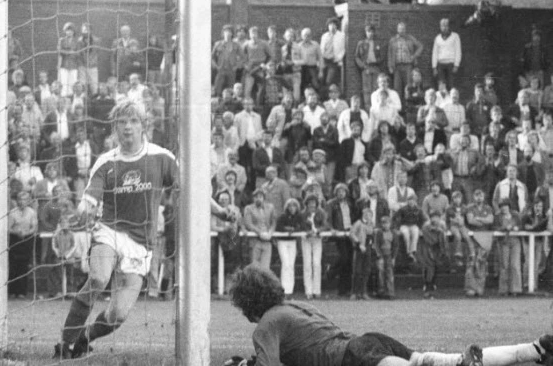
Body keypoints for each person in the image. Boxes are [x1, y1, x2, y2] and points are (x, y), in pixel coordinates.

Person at [53, 100, 233, 359]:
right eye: (122, 122)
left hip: (141, 244)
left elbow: (193, 191)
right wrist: (82, 209)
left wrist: (220, 211)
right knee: (98, 279)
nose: (127, 127)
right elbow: (89, 198)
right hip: (110, 231)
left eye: (133, 121)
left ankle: (85, 337)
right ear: (114, 127)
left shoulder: (162, 159)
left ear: (144, 126)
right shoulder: (105, 162)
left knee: (118, 315)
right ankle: (64, 342)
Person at [228, 264, 553, 366]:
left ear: (246, 302)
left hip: (353, 357)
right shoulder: (295, 305)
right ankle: (535, 349)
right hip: (368, 343)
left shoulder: (266, 325)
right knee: (444, 361)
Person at [275, 198, 305, 295]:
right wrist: (286, 229)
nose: (292, 208)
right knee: (286, 264)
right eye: (290, 206)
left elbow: (302, 227)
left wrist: (294, 229)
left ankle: (290, 289)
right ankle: (284, 288)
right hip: (282, 241)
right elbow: (278, 227)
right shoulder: (282, 216)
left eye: (294, 206)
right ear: (287, 207)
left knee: (291, 265)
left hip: (292, 242)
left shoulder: (299, 216)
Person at [387, 22, 424, 97]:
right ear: (397, 30)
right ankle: (399, 107)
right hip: (397, 67)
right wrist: (390, 66)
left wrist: (414, 56)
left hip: (408, 66)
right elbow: (389, 54)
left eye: (403, 29)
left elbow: (420, 46)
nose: (401, 31)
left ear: (405, 30)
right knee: (397, 87)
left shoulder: (410, 38)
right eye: (400, 29)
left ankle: (408, 105)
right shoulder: (393, 40)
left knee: (408, 86)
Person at [418, 211, 449, 298]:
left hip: (438, 250)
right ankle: (427, 287)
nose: (435, 219)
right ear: (430, 218)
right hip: (427, 249)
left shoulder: (442, 226)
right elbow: (430, 240)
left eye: (437, 217)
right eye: (433, 217)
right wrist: (437, 232)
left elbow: (444, 239)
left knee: (436, 267)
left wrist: (443, 250)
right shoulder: (426, 227)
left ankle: (432, 285)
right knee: (429, 268)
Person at [495, 202, 522, 296]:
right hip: (503, 242)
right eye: (502, 206)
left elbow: (521, 225)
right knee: (504, 265)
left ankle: (516, 289)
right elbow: (495, 227)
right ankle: (504, 289)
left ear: (509, 207)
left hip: (515, 241)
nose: (504, 208)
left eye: (505, 206)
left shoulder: (515, 215)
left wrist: (516, 228)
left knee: (515, 264)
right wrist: (504, 228)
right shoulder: (498, 217)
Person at [355, 24, 386, 107]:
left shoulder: (378, 43)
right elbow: (357, 56)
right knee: (367, 88)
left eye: (372, 31)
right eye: (368, 31)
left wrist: (377, 61)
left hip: (376, 67)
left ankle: (376, 106)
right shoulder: (361, 43)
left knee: (376, 87)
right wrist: (362, 66)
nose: (370, 33)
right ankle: (367, 107)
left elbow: (382, 56)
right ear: (365, 32)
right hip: (366, 67)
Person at [432, 18, 462, 89]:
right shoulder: (437, 38)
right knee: (441, 84)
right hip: (440, 64)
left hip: (451, 64)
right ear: (440, 27)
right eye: (442, 26)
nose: (444, 28)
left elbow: (458, 51)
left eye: (446, 26)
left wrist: (456, 65)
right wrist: (434, 67)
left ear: (449, 26)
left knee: (451, 84)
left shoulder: (455, 36)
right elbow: (434, 53)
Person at [373, 214, 398, 299]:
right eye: (383, 223)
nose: (385, 225)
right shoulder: (379, 232)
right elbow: (376, 244)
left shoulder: (393, 233)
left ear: (390, 224)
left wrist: (394, 257)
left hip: (389, 254)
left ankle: (390, 292)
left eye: (387, 223)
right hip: (381, 254)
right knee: (381, 273)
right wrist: (379, 256)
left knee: (389, 274)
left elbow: (395, 246)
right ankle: (381, 292)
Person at [320, 18, 346, 93]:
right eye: (330, 25)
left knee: (329, 80)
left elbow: (343, 49)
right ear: (328, 26)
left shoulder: (341, 35)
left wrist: (338, 58)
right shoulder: (324, 36)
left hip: (333, 62)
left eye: (334, 25)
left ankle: (330, 96)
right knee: (322, 79)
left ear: (337, 26)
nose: (332, 27)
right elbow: (321, 49)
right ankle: (324, 98)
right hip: (325, 61)